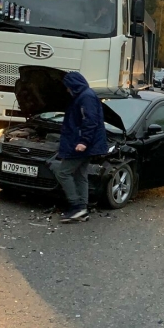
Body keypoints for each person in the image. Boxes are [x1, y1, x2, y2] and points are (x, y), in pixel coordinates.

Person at [52, 72, 108, 223]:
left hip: (82, 144)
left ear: (73, 85)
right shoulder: (84, 95)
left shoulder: (85, 97)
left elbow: (90, 121)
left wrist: (83, 142)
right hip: (85, 143)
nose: (66, 90)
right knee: (80, 175)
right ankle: (82, 209)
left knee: (63, 173)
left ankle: (76, 207)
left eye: (67, 86)